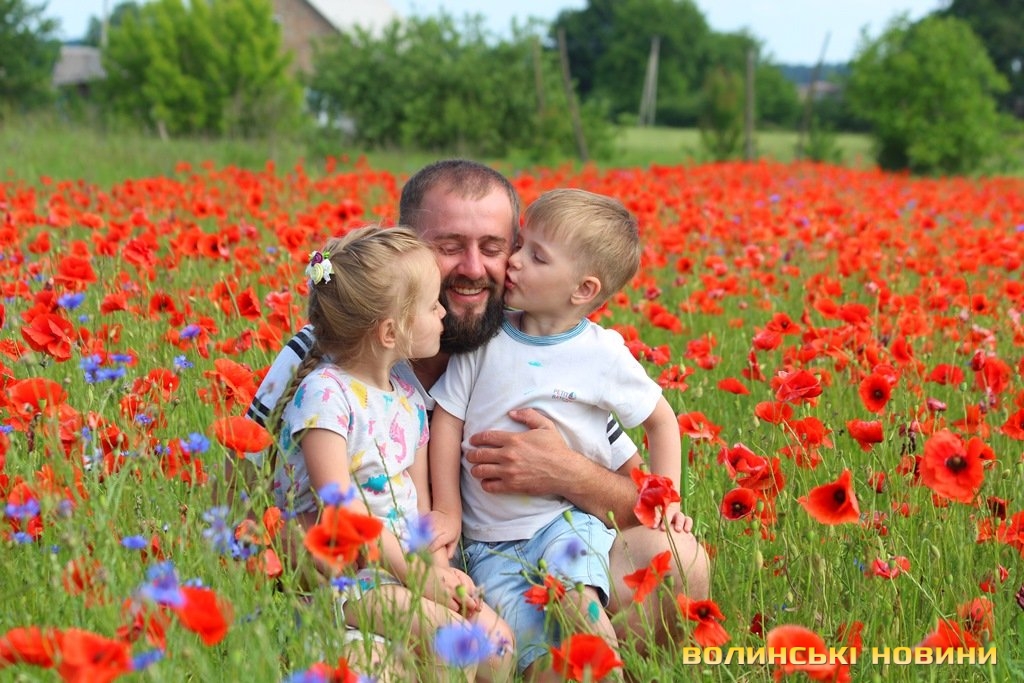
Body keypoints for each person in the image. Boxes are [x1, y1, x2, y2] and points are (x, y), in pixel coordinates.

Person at [245, 159, 709, 670]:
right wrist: (304, 547)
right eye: (449, 247)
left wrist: (567, 472)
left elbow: (638, 497)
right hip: (385, 579)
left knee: (678, 558)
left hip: (531, 562)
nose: (472, 267)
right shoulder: (330, 354)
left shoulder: (541, 345)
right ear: (407, 246)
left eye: (493, 247)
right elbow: (238, 496)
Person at [427, 188, 692, 679]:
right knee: (536, 653)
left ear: (583, 290)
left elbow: (661, 420)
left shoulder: (602, 354)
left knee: (576, 599)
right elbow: (447, 421)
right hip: (489, 544)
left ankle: (604, 653)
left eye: (537, 256)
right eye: (520, 245)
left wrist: (667, 499)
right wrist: (448, 510)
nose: (515, 261)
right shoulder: (486, 340)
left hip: (563, 525)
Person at [265, 226, 514, 681]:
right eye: (432, 305)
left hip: (402, 571)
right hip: (347, 577)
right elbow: (339, 509)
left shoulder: (408, 400)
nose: (443, 312)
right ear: (390, 331)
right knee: (450, 643)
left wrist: (440, 573)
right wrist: (418, 579)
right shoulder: (326, 395)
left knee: (498, 646)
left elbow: (418, 515)